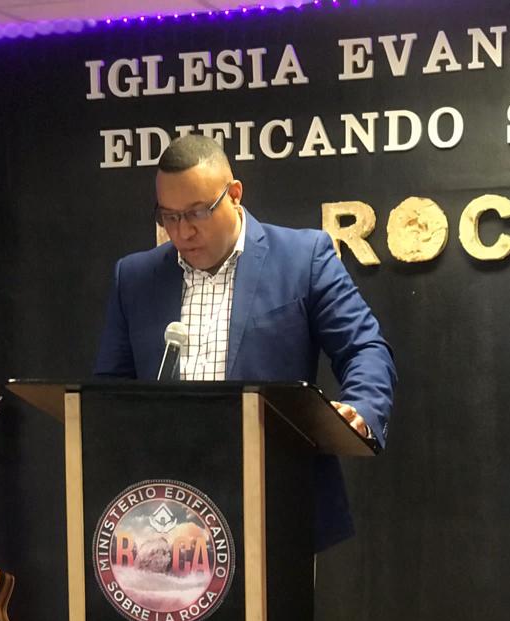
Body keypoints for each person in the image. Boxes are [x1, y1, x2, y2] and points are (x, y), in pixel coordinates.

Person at [95, 134, 396, 550]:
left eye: (198, 212)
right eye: (170, 216)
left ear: (234, 195)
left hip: (273, 500)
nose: (183, 231)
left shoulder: (302, 257)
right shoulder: (134, 277)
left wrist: (361, 407)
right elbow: (110, 389)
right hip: (163, 510)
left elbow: (363, 346)